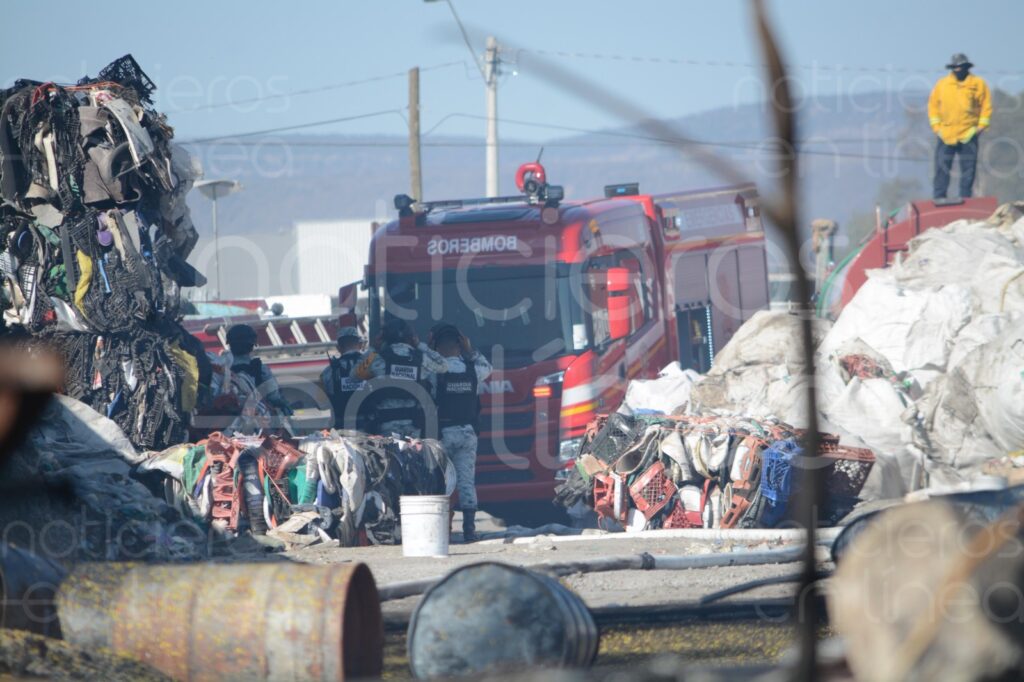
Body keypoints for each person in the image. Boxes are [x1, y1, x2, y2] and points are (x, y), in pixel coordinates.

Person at [426, 324, 492, 542]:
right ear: (459, 345)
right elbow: (487, 366)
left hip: (442, 434)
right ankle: (469, 530)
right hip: (467, 433)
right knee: (466, 481)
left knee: (439, 482)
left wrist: (428, 349)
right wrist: (470, 349)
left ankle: (441, 530)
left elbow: (422, 370)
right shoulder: (473, 369)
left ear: (437, 346)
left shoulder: (436, 372)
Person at [351, 317, 447, 438]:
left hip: (387, 426)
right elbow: (443, 366)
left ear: (384, 337)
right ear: (411, 337)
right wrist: (419, 345)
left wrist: (373, 348)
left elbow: (354, 375)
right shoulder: (420, 359)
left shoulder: (379, 359)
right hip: (413, 426)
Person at [929, 53, 992, 199]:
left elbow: (986, 107)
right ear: (952, 68)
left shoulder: (978, 84)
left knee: (968, 171)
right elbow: (933, 106)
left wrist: (980, 128)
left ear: (966, 67)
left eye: (961, 67)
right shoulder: (942, 84)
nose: (958, 69)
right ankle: (939, 198)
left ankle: (965, 199)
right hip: (946, 134)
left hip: (968, 134)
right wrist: (937, 128)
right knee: (941, 170)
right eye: (955, 67)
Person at [224, 323, 292, 416]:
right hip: (258, 421)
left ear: (229, 344)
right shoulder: (261, 369)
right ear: (252, 346)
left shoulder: (219, 368)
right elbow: (274, 396)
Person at [319, 326, 369, 431]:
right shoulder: (373, 366)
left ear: (339, 348)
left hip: (342, 429)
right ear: (360, 345)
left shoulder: (329, 372)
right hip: (369, 427)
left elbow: (324, 402)